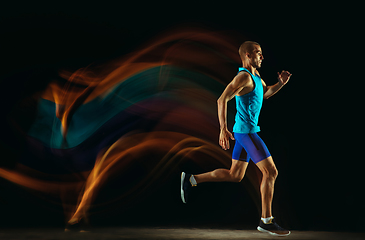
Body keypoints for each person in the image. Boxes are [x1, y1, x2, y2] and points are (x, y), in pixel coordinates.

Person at [181, 41, 292, 236]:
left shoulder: (256, 76)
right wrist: (223, 129)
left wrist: (281, 84)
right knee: (271, 172)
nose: (262, 57)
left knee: (235, 175)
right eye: (258, 53)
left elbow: (265, 94)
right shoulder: (243, 77)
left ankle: (191, 180)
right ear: (247, 55)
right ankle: (266, 221)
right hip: (246, 132)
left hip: (245, 132)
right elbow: (221, 99)